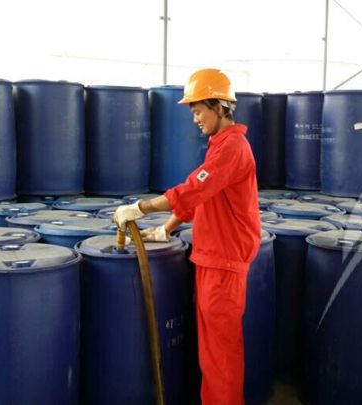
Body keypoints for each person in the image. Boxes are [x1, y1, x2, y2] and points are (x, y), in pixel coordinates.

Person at [113, 68, 261, 405]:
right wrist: (166, 228)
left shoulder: (232, 147)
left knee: (220, 356)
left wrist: (140, 208)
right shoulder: (220, 145)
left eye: (198, 110)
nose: (194, 119)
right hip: (213, 258)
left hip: (224, 262)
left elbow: (194, 189)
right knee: (212, 353)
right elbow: (203, 197)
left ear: (219, 106)